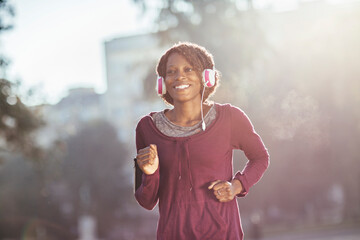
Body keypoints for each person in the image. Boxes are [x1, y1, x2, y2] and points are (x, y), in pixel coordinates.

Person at [134, 42, 269, 240]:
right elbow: (146, 201)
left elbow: (260, 158)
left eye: (189, 69)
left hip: (223, 234)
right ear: (162, 82)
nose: (179, 76)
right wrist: (150, 173)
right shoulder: (147, 128)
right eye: (171, 71)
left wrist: (236, 186)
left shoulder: (230, 117)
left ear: (206, 77)